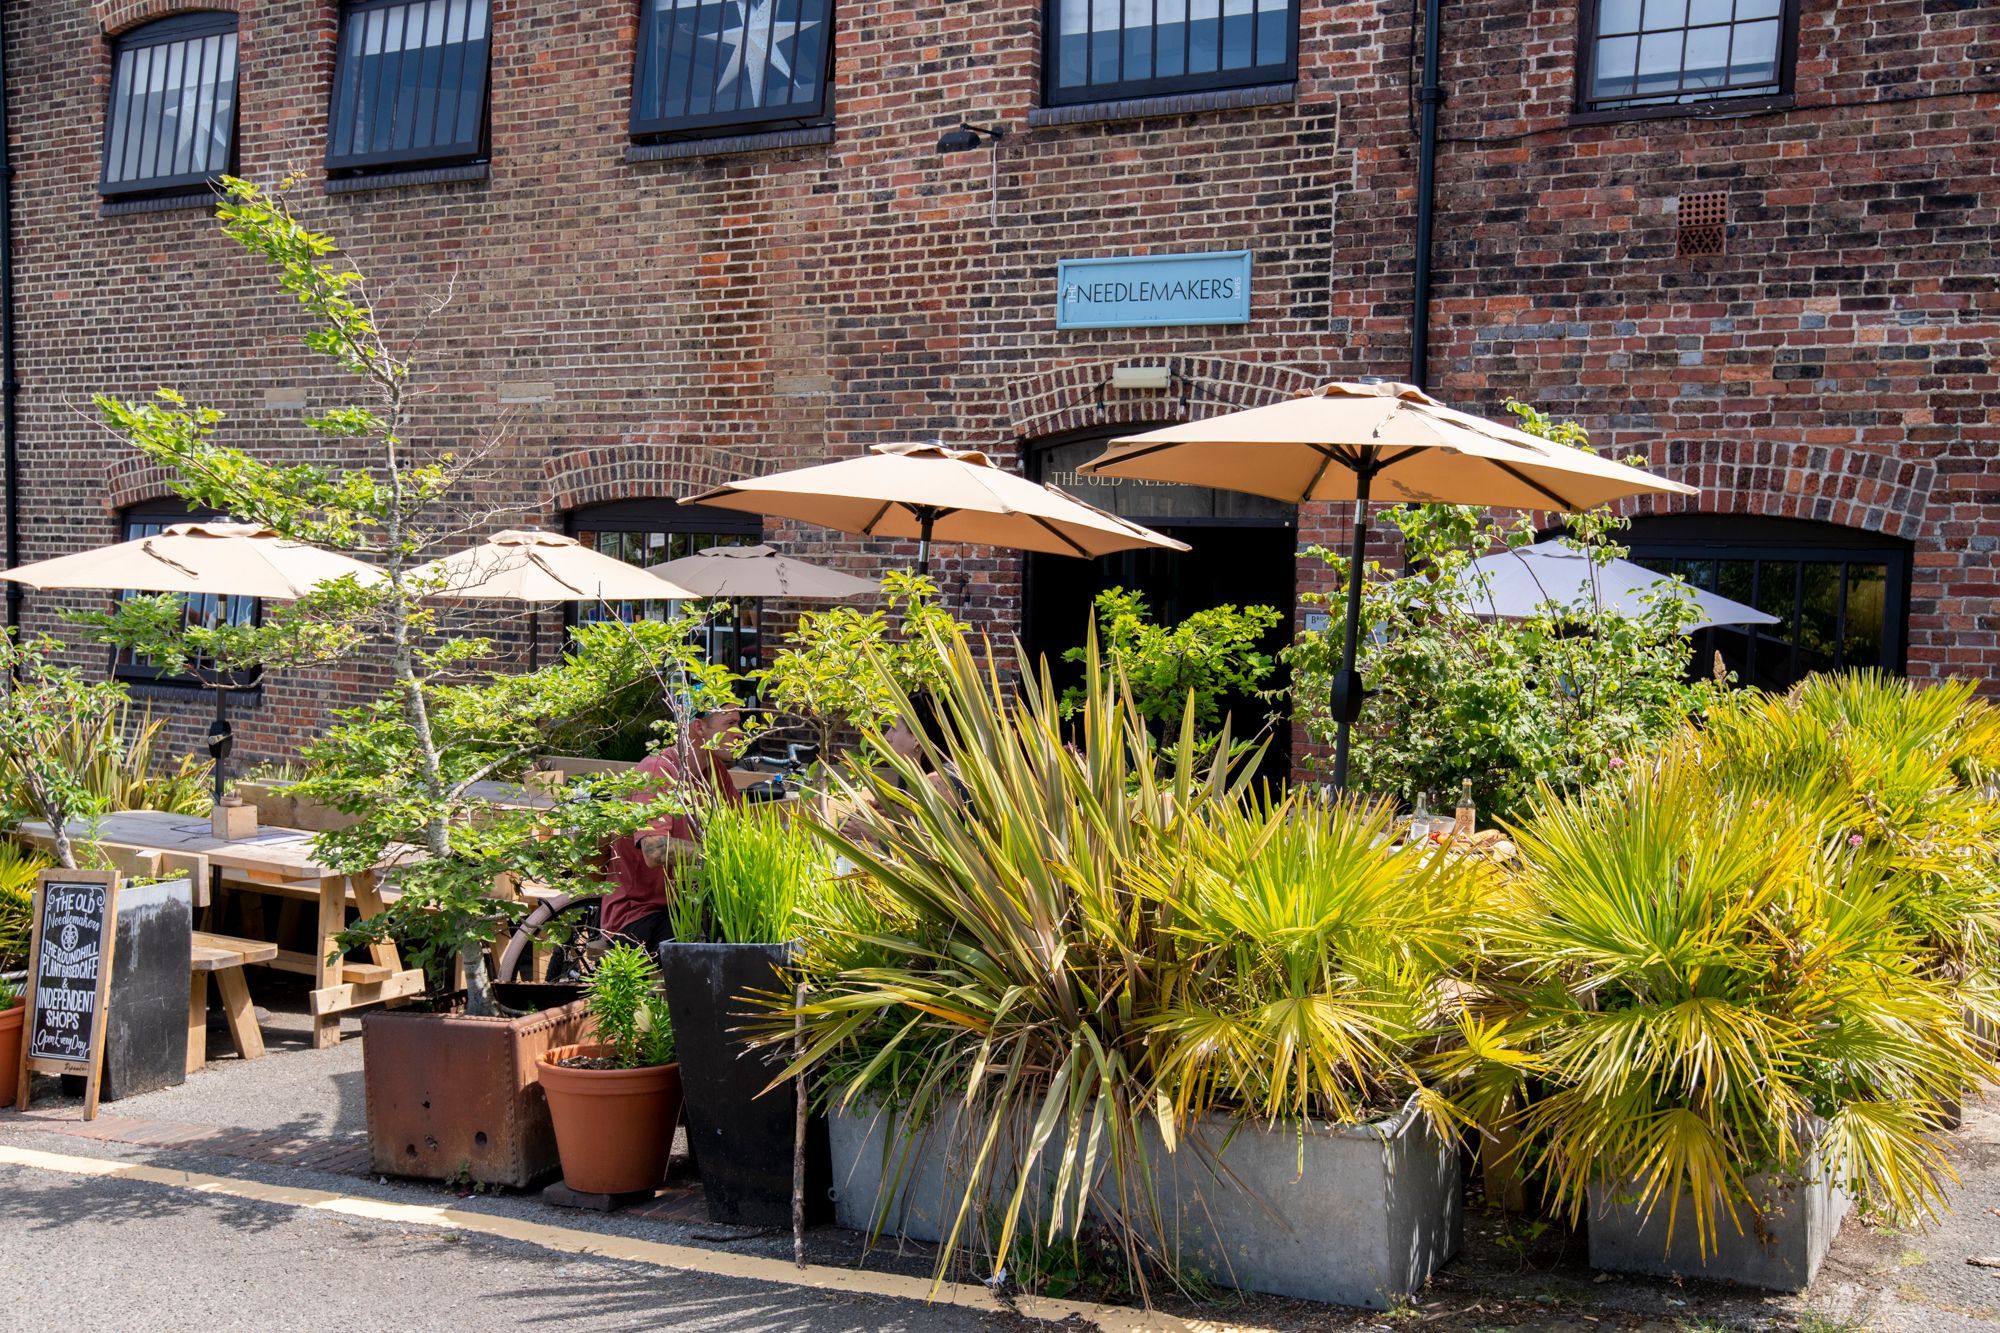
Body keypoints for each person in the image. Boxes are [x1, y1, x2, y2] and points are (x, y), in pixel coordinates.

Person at [600, 705, 744, 954]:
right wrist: (716, 855)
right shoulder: (658, 770)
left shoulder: (715, 772)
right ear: (699, 727)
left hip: (689, 905)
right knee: (714, 951)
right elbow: (654, 851)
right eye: (729, 724)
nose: (740, 733)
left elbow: (741, 833)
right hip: (642, 914)